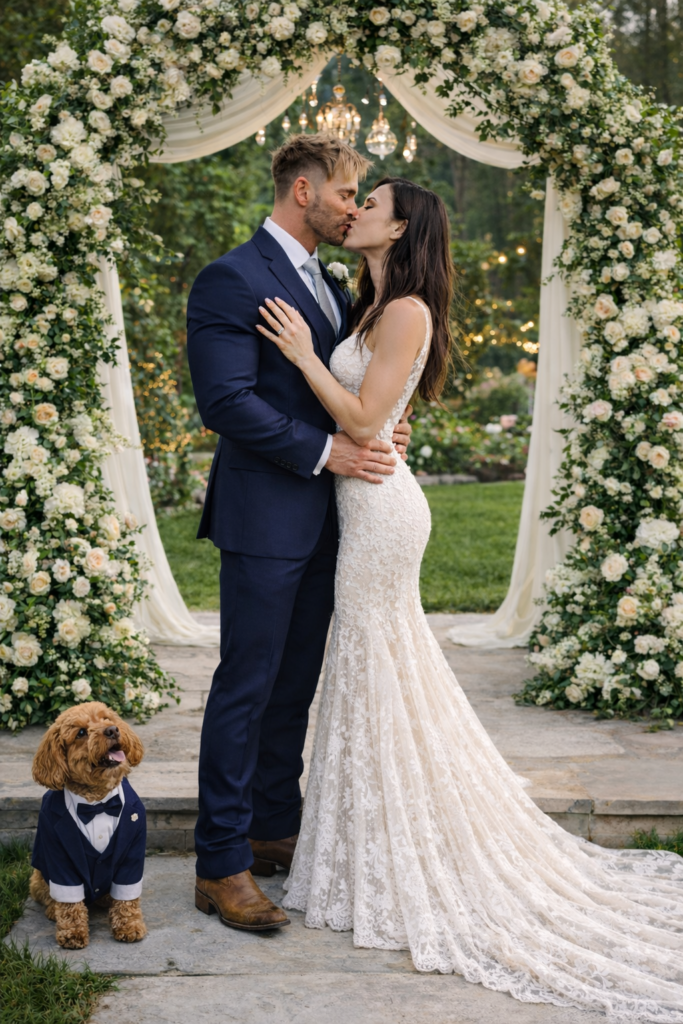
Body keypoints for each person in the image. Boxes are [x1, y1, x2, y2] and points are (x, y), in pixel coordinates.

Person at [257, 176, 683, 1020]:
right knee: (372, 672)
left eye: (371, 203)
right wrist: (370, 399)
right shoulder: (371, 305)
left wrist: (306, 357)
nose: (357, 211)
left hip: (378, 513)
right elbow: (384, 409)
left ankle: (399, 850)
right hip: (370, 498)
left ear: (402, 224)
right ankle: (364, 848)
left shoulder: (405, 306)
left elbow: (364, 422)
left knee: (375, 668)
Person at [186, 136, 412, 932]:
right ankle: (220, 863)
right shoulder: (231, 277)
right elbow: (227, 403)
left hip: (332, 519)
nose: (355, 206)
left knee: (294, 687)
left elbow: (348, 384)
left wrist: (379, 433)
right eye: (348, 193)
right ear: (304, 191)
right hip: (265, 515)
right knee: (247, 686)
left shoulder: (330, 280)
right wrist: (328, 451)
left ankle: (272, 824)